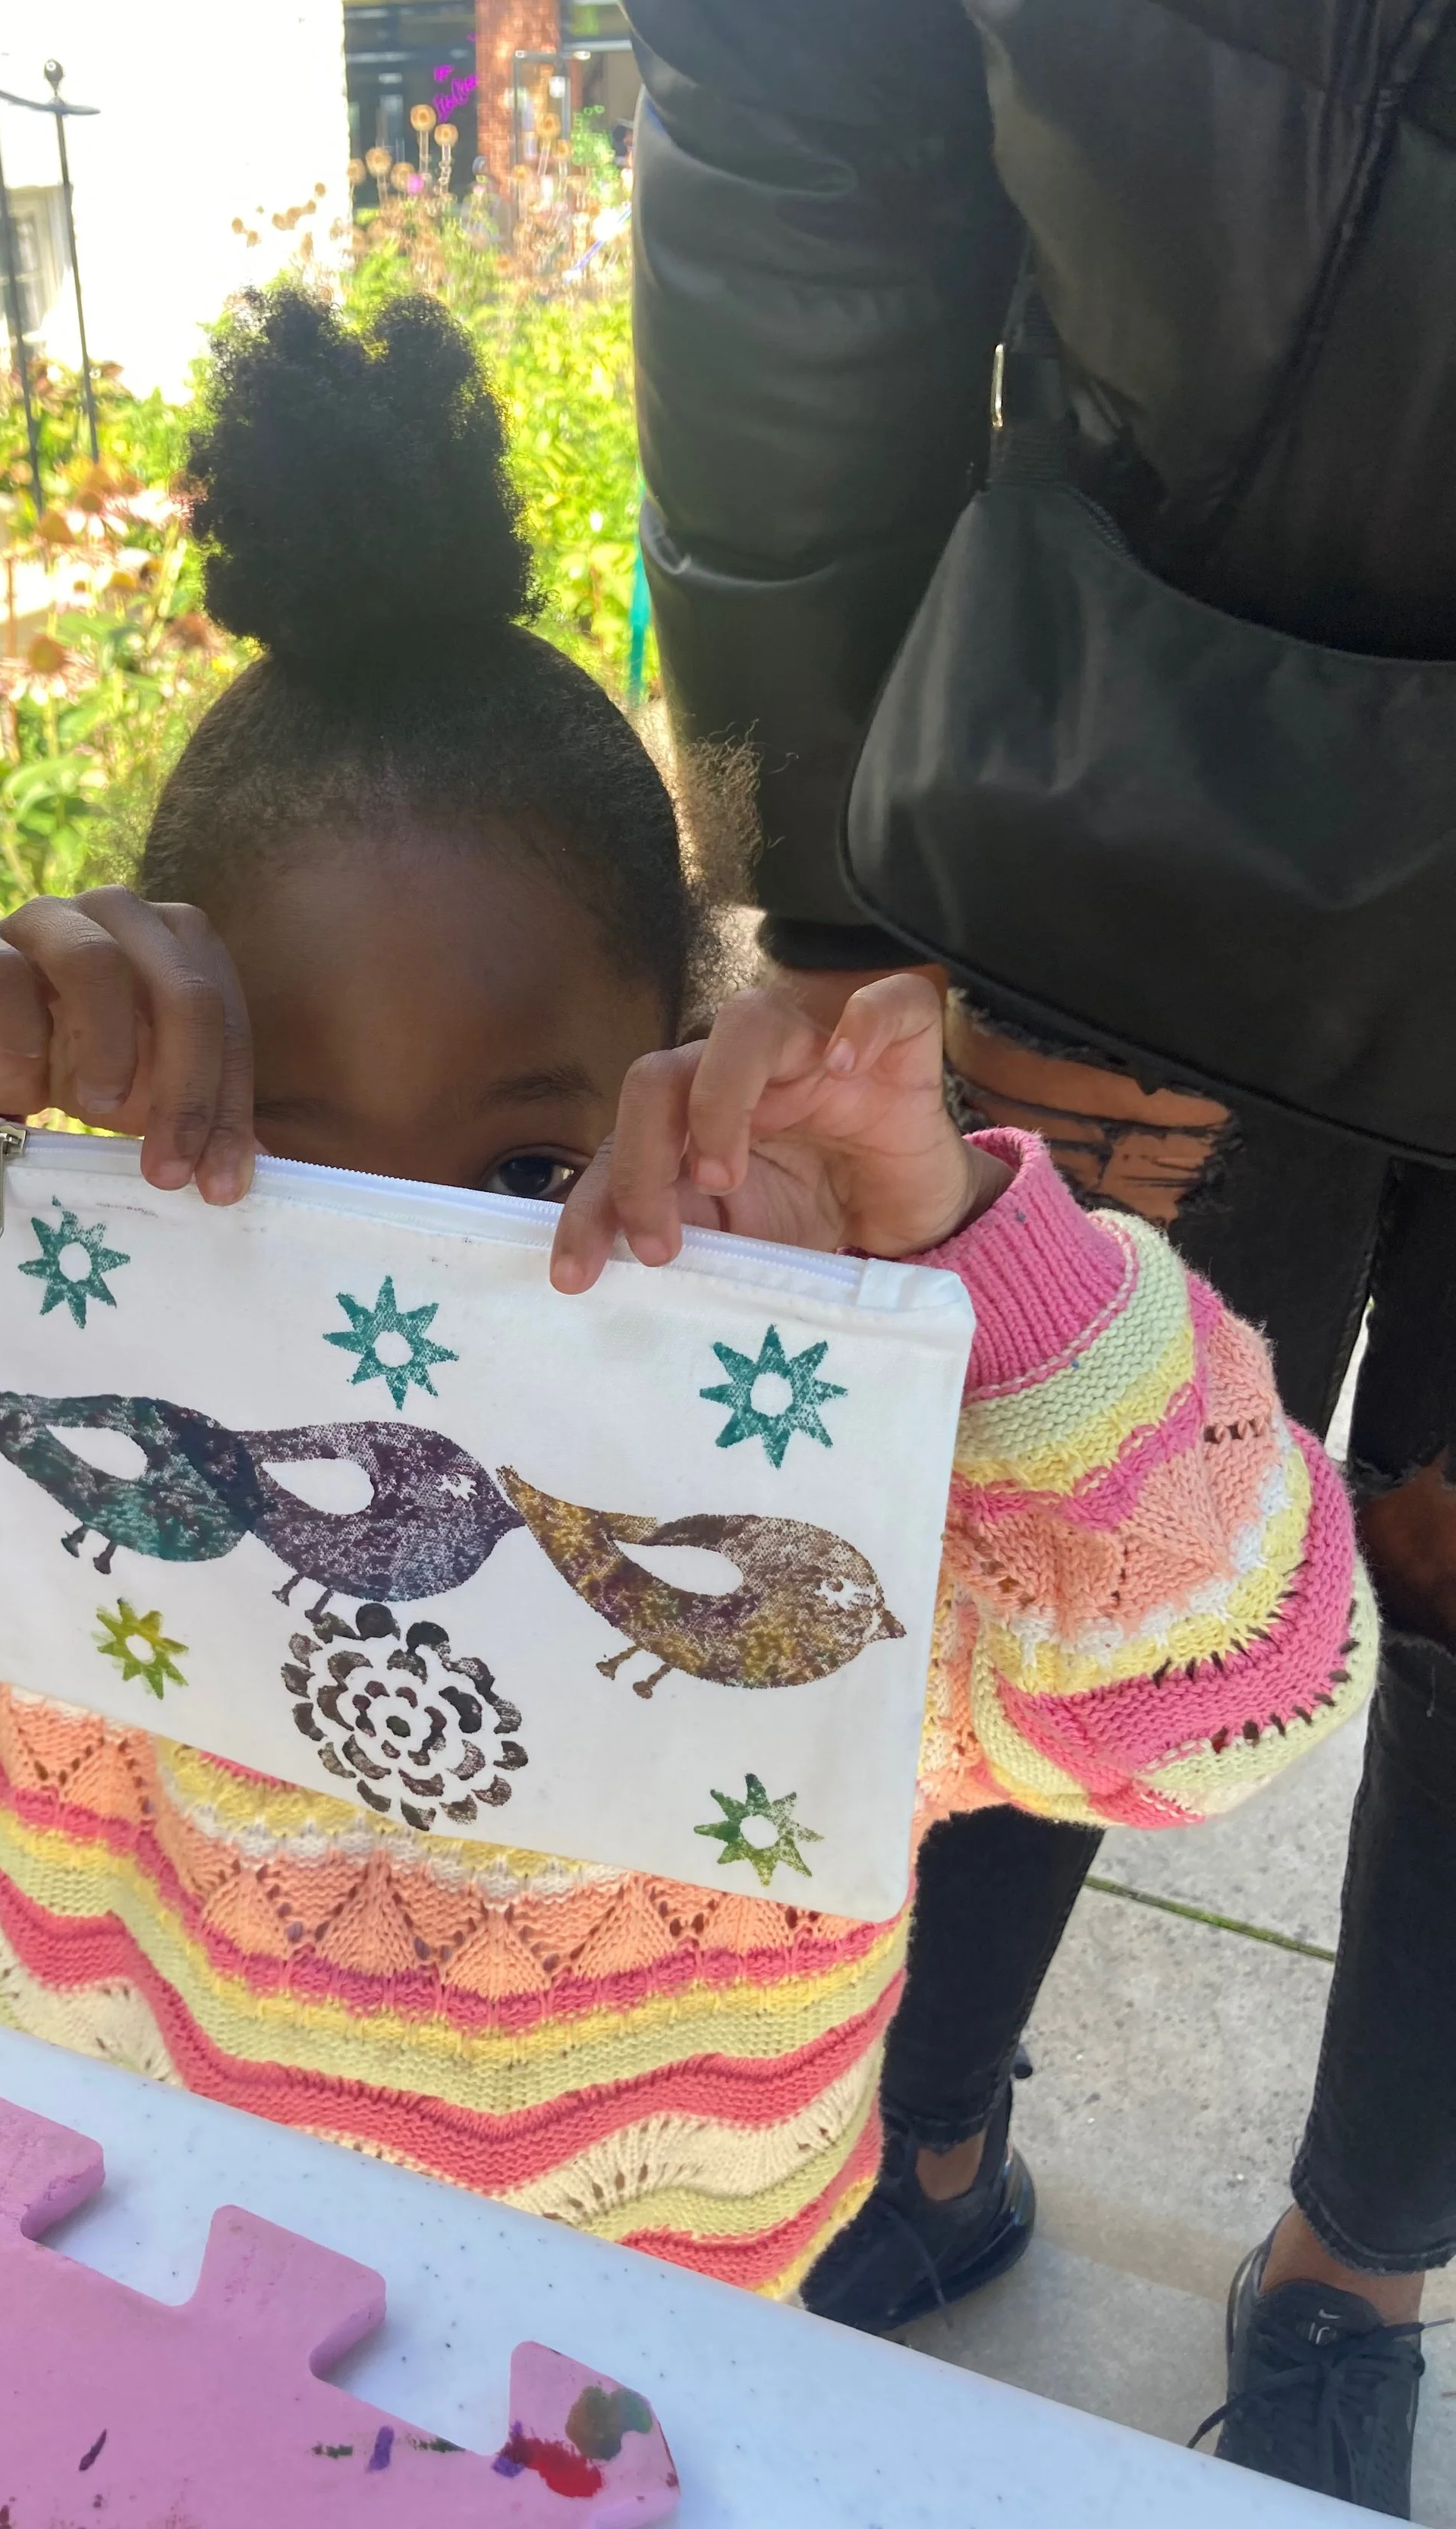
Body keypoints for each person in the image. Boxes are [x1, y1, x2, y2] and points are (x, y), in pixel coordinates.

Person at [0, 286, 1372, 2312]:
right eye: (294, 1171)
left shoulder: (786, 1497)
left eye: (524, 1172)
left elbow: (1228, 1692)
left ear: (672, 1078)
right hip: (132, 2275)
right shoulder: (82, 1401)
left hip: (639, 2363)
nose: (398, 1318)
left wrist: (973, 1255)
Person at [626, 0, 1456, 2508]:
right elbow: (800, 138)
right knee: (1015, 1508)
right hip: (1140, 779)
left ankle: (1361, 2265)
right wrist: (827, 877)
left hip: (1132, 776)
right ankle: (922, 2138)